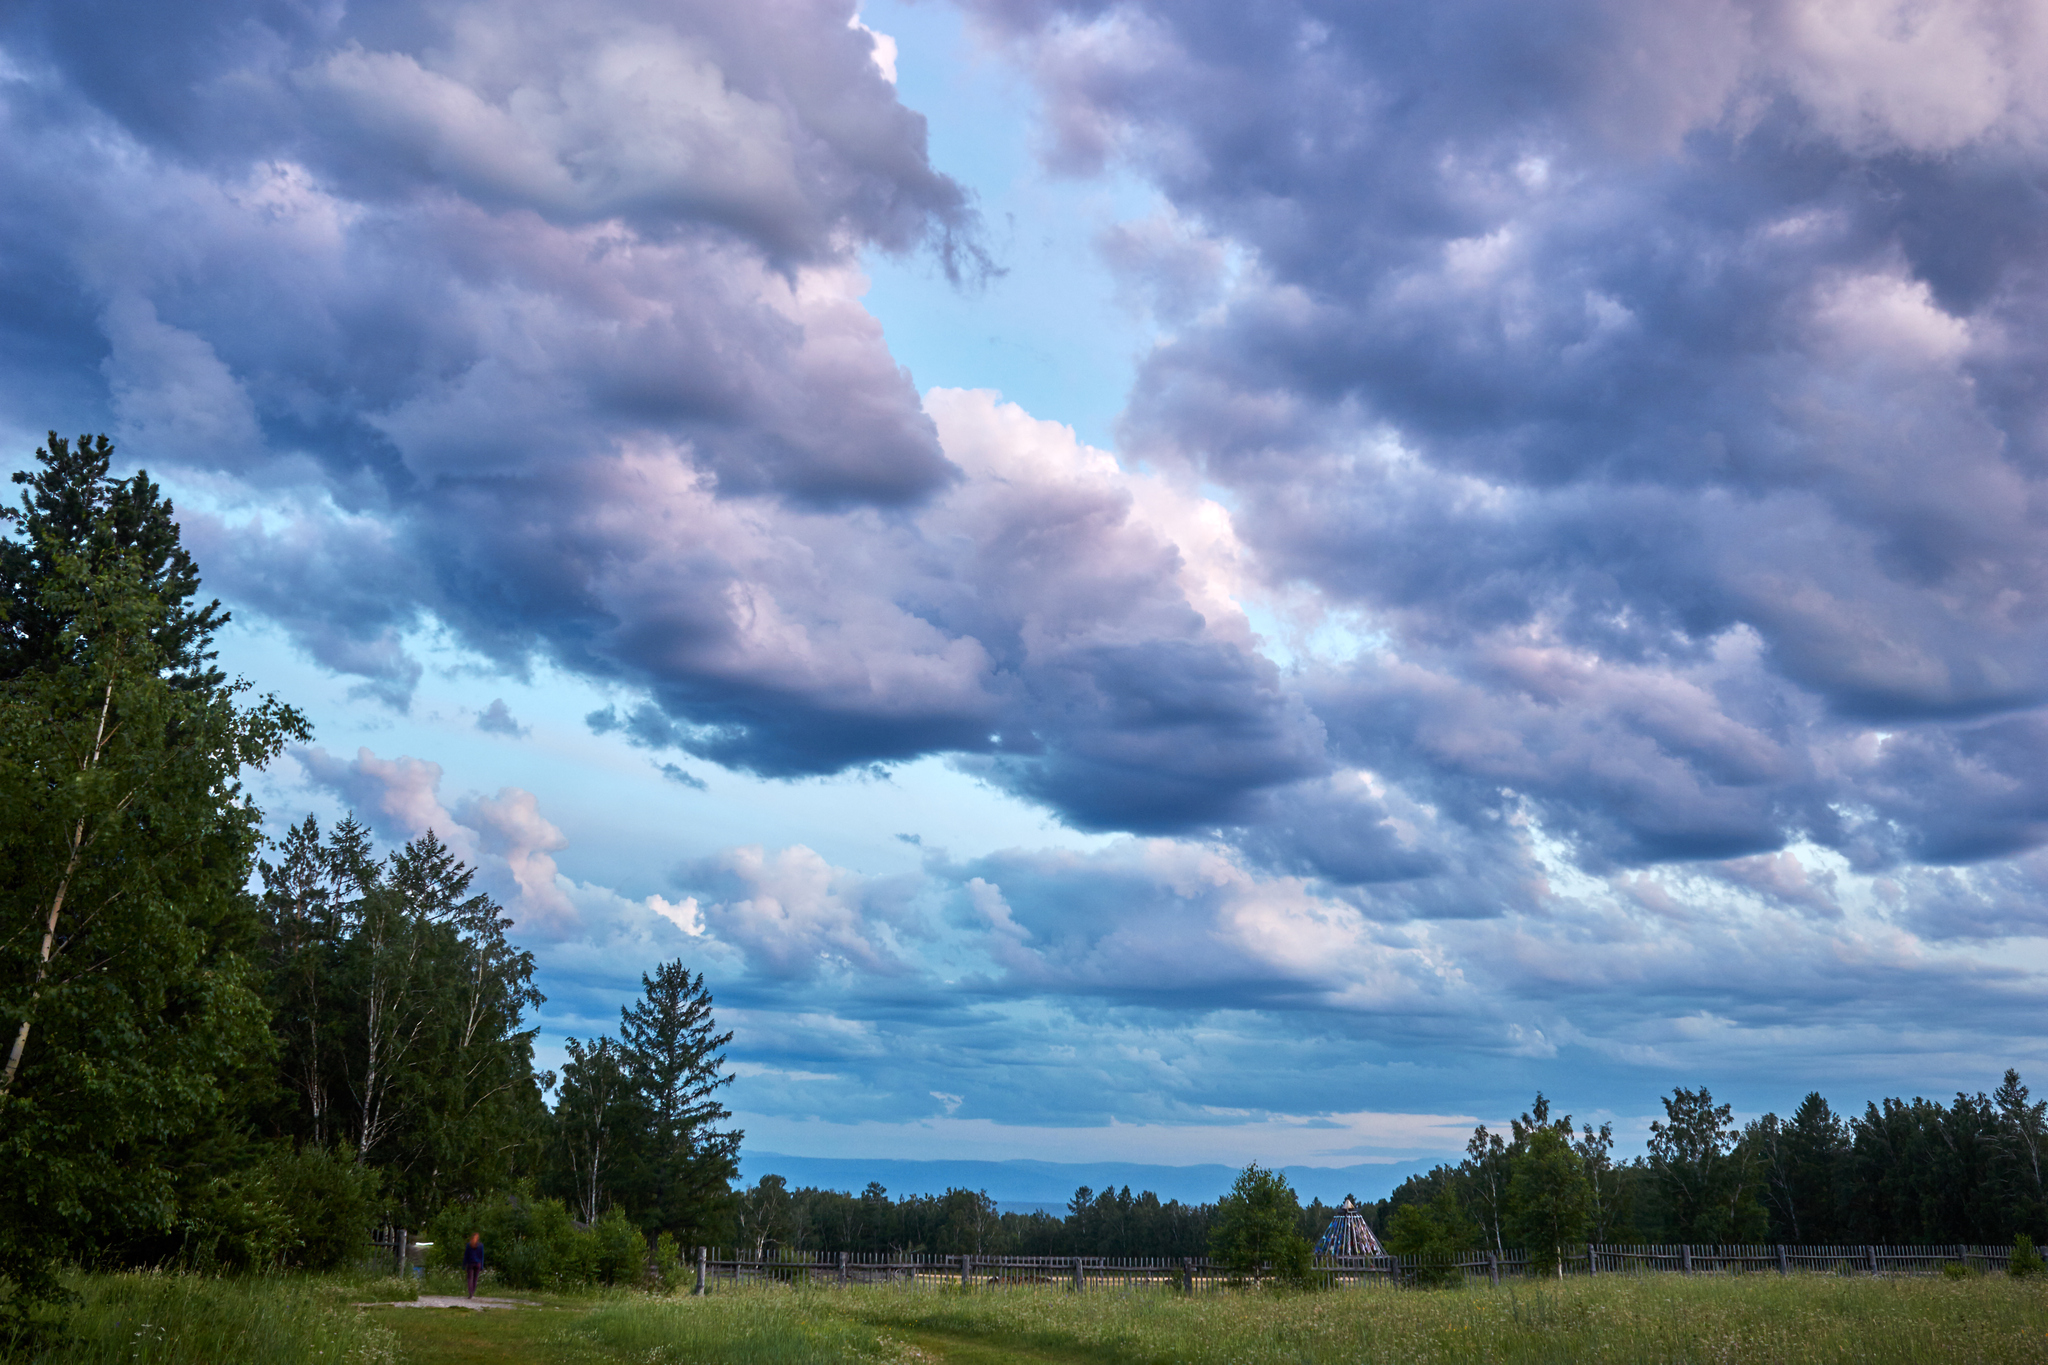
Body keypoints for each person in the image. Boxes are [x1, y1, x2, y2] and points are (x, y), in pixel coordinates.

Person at [463, 1232, 485, 1298]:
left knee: (470, 1279)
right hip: (477, 1264)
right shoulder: (480, 1246)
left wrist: (464, 1265)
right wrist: (482, 1265)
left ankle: (470, 1293)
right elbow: (481, 1256)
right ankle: (472, 1292)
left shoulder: (469, 1245)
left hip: (470, 1263)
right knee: (475, 1279)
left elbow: (466, 1255)